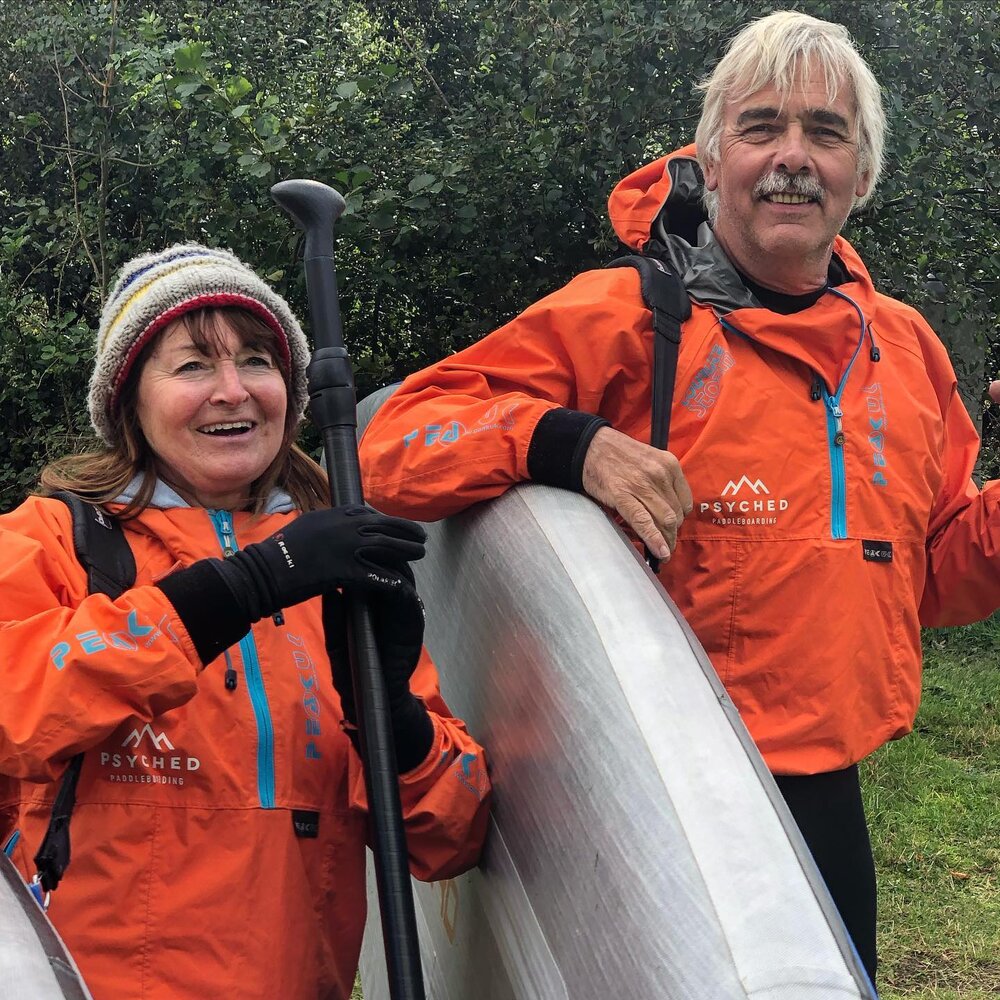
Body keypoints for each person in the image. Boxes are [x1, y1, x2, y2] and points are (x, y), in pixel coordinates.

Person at [357, 10, 1000, 987]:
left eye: (825, 133)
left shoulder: (905, 351)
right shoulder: (626, 319)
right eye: (761, 127)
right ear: (711, 157)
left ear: (861, 175)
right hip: (641, 805)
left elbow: (933, 574)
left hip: (824, 799)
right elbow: (389, 443)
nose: (792, 156)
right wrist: (564, 441)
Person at [0, 243, 491, 1000]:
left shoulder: (340, 572)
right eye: (193, 365)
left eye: (258, 360)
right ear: (129, 398)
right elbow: (13, 710)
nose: (232, 391)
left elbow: (451, 837)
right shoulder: (54, 541)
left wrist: (390, 715)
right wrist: (245, 587)